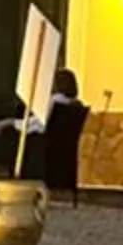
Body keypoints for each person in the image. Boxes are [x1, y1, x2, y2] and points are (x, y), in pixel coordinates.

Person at [43, 66, 90, 203]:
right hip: (67, 150)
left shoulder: (55, 101)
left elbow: (41, 124)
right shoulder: (77, 106)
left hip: (48, 148)